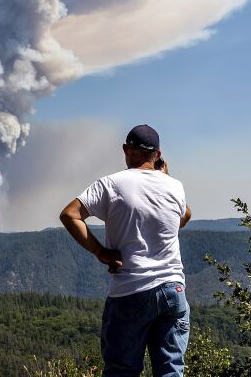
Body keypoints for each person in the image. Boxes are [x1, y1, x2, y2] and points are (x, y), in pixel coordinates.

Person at [59, 124, 192, 377]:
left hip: (130, 289)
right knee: (171, 371)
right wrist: (165, 177)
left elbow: (70, 215)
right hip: (173, 290)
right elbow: (184, 216)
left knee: (122, 370)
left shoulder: (111, 184)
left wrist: (101, 252)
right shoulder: (175, 186)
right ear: (158, 155)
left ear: (126, 150)